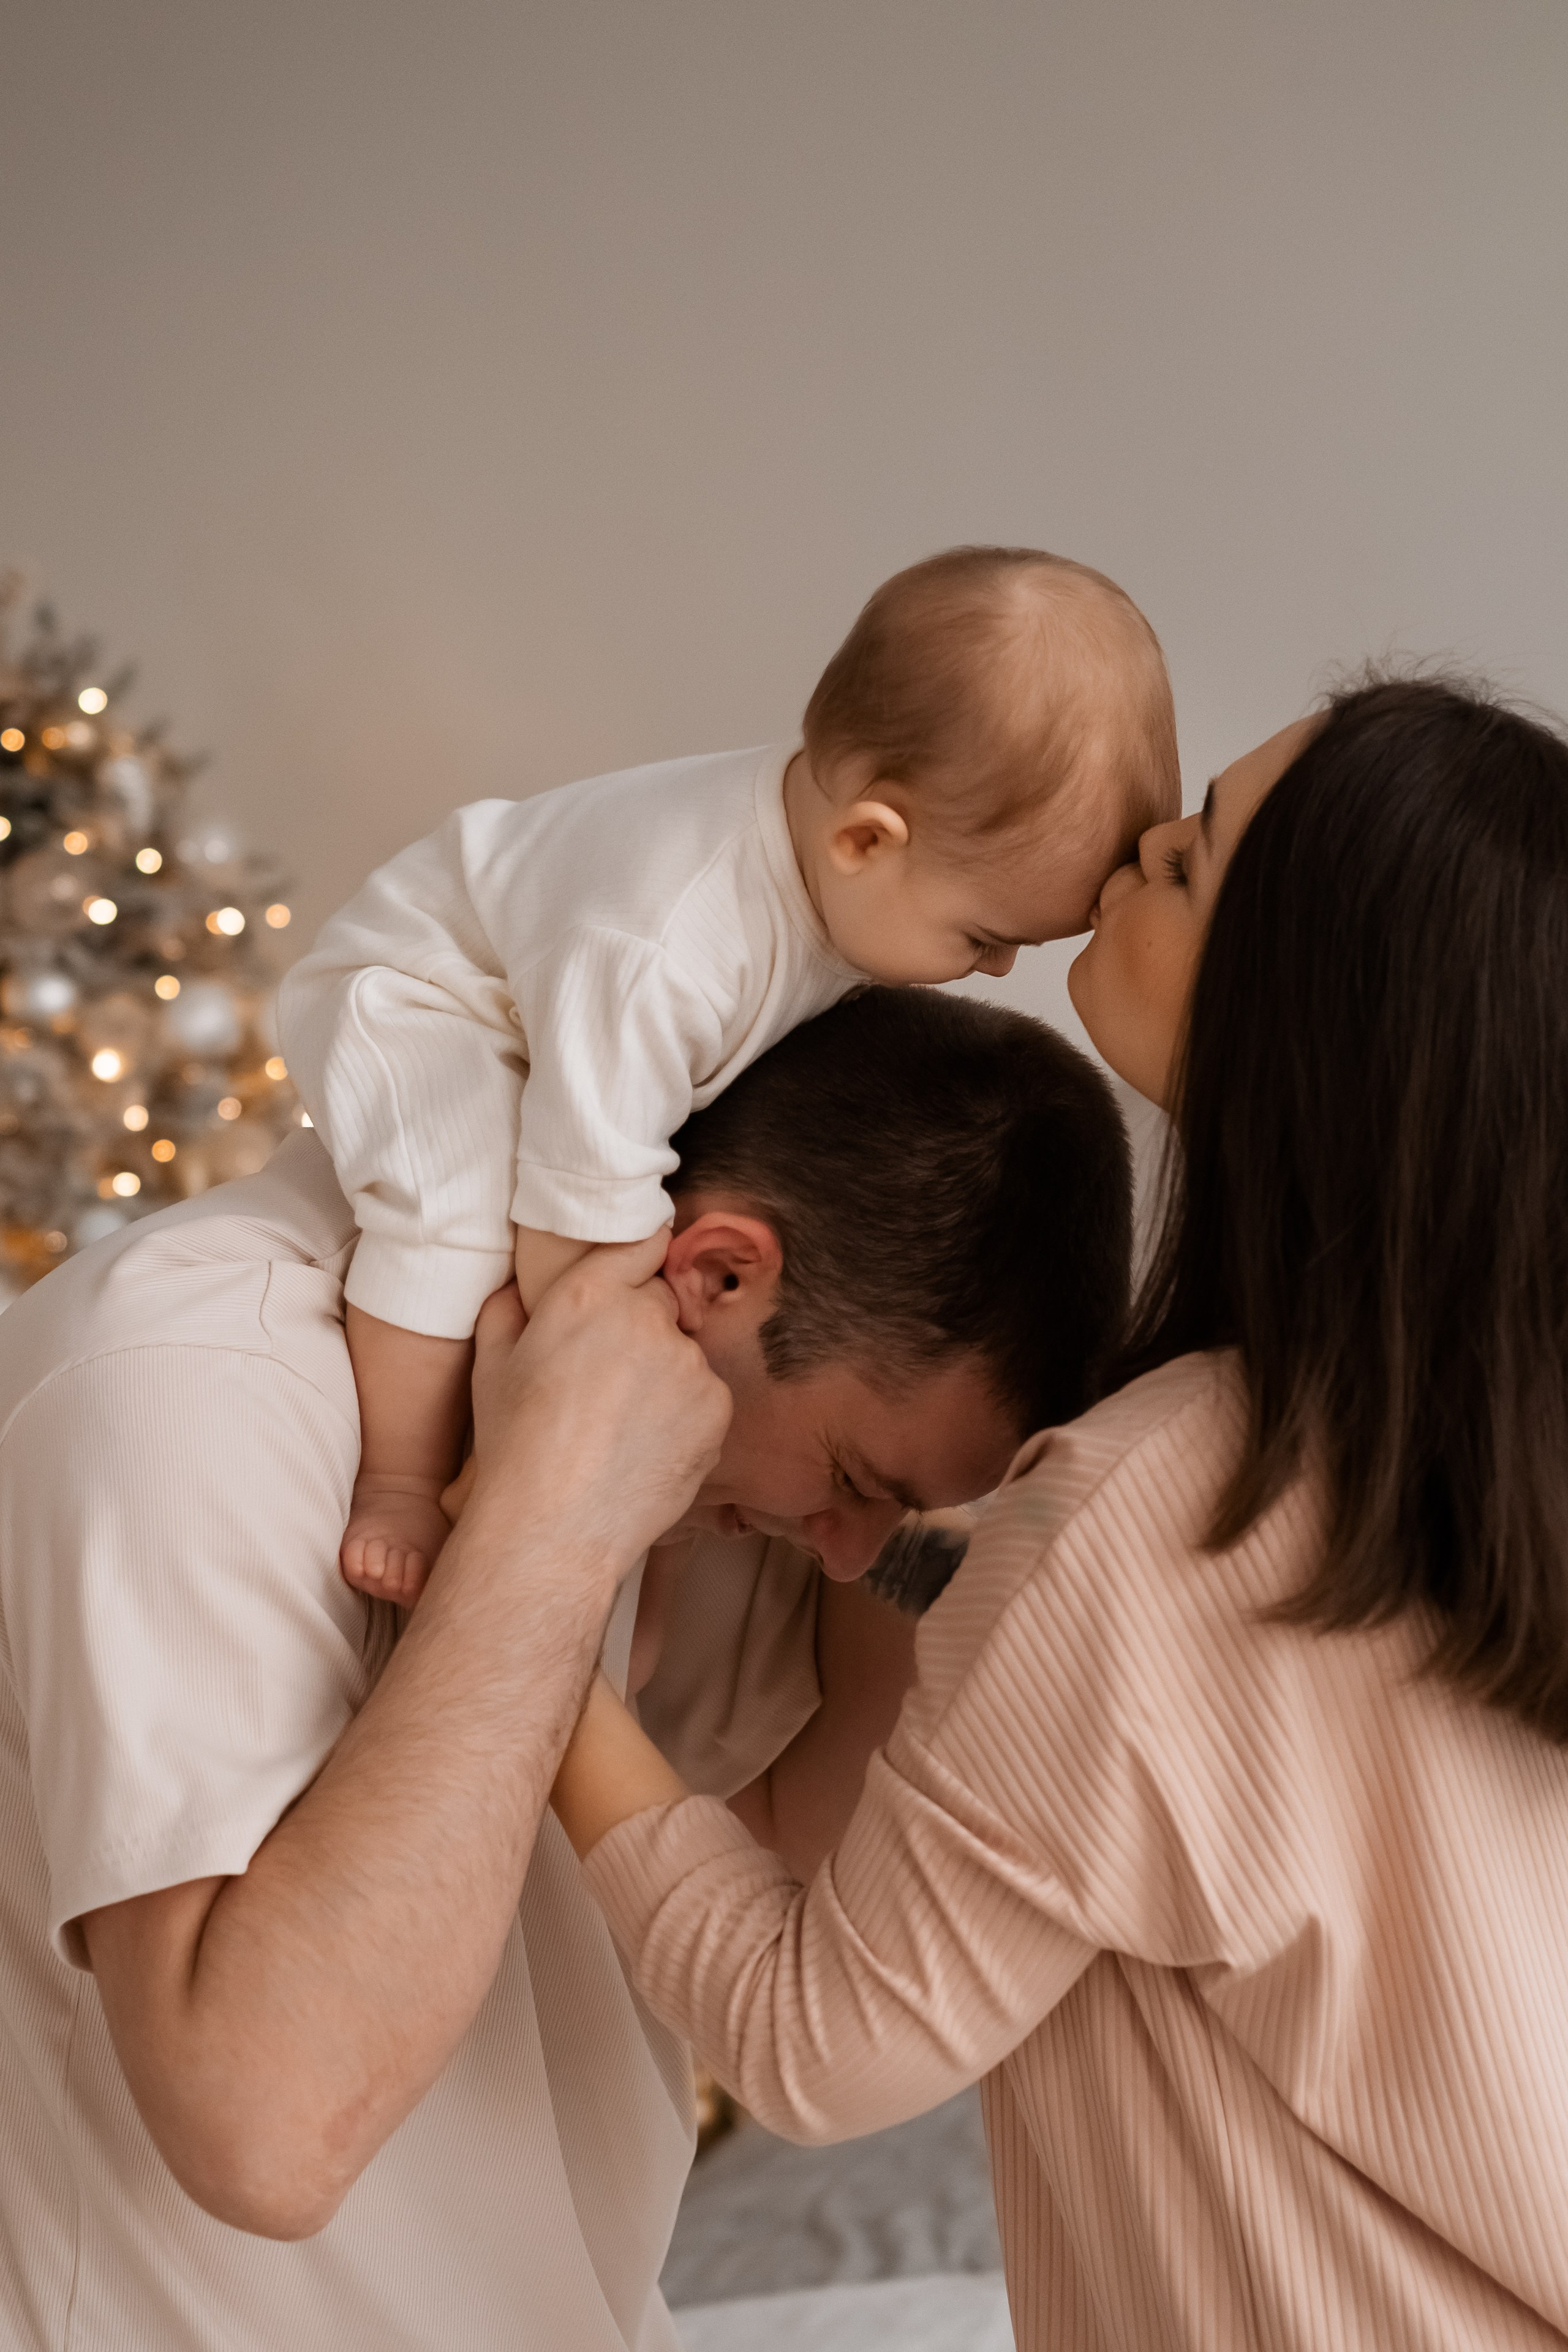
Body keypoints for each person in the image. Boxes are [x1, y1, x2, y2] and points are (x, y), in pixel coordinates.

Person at [552, 676, 1568, 2349]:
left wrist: (522, 1630)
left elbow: (812, 2038)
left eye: (1201, 849)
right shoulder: (1474, 1475)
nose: (1141, 846)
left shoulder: (1157, 1507)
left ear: (1320, 1000)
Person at [0, 984, 1129, 2351]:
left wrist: (941, 1526)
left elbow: (786, 1879)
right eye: (847, 1478)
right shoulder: (186, 1386)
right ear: (716, 1274)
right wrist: (544, 1517)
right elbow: (266, 2136)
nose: (841, 1554)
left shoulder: (709, 1456)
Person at [279, 544, 1177, 1600]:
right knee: (457, 1215)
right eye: (982, 937)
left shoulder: (832, 882)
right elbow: (582, 1230)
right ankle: (398, 1476)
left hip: (533, 1000)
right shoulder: (666, 946)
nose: (999, 968)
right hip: (425, 997)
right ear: (866, 839)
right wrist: (571, 1457)